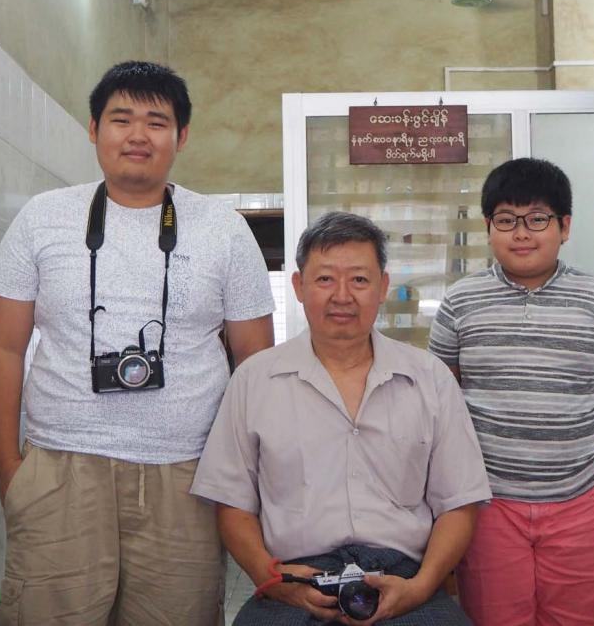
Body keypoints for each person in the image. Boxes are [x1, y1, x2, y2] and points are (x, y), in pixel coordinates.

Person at [0, 61, 275, 625]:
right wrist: (10, 470)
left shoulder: (222, 227)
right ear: (93, 129)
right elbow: (2, 347)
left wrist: (245, 475)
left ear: (181, 136)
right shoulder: (43, 218)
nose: (138, 135)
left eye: (156, 122)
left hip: (187, 474)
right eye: (121, 119)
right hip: (61, 467)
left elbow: (256, 362)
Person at [191, 211, 492, 625]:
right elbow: (232, 503)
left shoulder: (429, 379)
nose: (342, 295)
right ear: (298, 286)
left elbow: (459, 503)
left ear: (383, 287)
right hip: (293, 582)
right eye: (325, 279)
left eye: (360, 280)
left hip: (405, 581)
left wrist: (421, 587)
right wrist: (272, 577)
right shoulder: (254, 380)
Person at [428, 157, 594, 626]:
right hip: (487, 503)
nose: (521, 233)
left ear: (564, 226)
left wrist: (556, 420)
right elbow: (440, 402)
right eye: (506, 220)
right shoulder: (460, 302)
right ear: (488, 227)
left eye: (537, 219)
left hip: (578, 501)